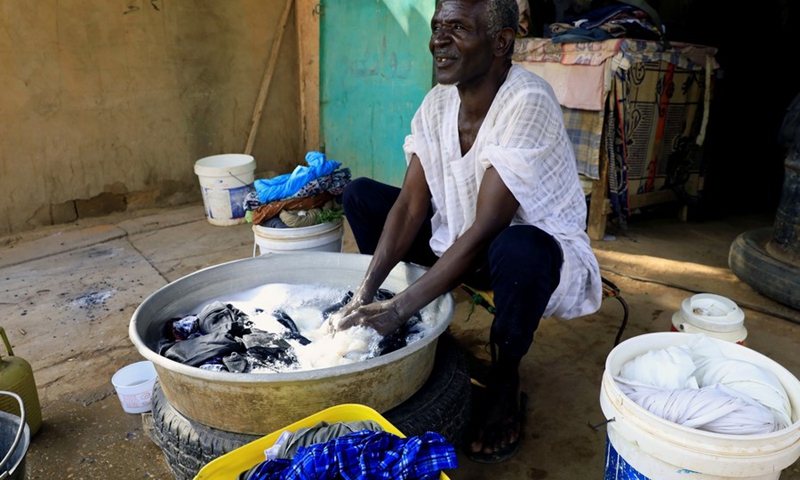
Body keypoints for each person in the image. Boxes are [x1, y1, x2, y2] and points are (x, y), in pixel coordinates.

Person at [329, 0, 602, 464]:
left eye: (457, 28)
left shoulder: (527, 101)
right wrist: (365, 293)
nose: (438, 39)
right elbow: (413, 204)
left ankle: (506, 379)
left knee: (521, 246)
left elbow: (485, 230)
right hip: (455, 241)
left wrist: (395, 310)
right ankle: (414, 322)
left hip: (524, 259)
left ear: (501, 42)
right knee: (360, 195)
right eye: (437, 27)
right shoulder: (437, 103)